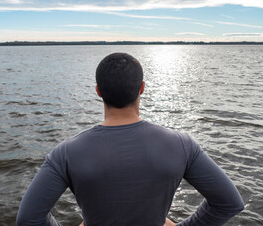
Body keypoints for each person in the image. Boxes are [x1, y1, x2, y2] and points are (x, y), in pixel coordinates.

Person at [16, 53, 244, 226]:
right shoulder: (182, 145)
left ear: (98, 91)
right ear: (142, 88)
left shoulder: (65, 153)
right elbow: (229, 203)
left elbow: (28, 218)